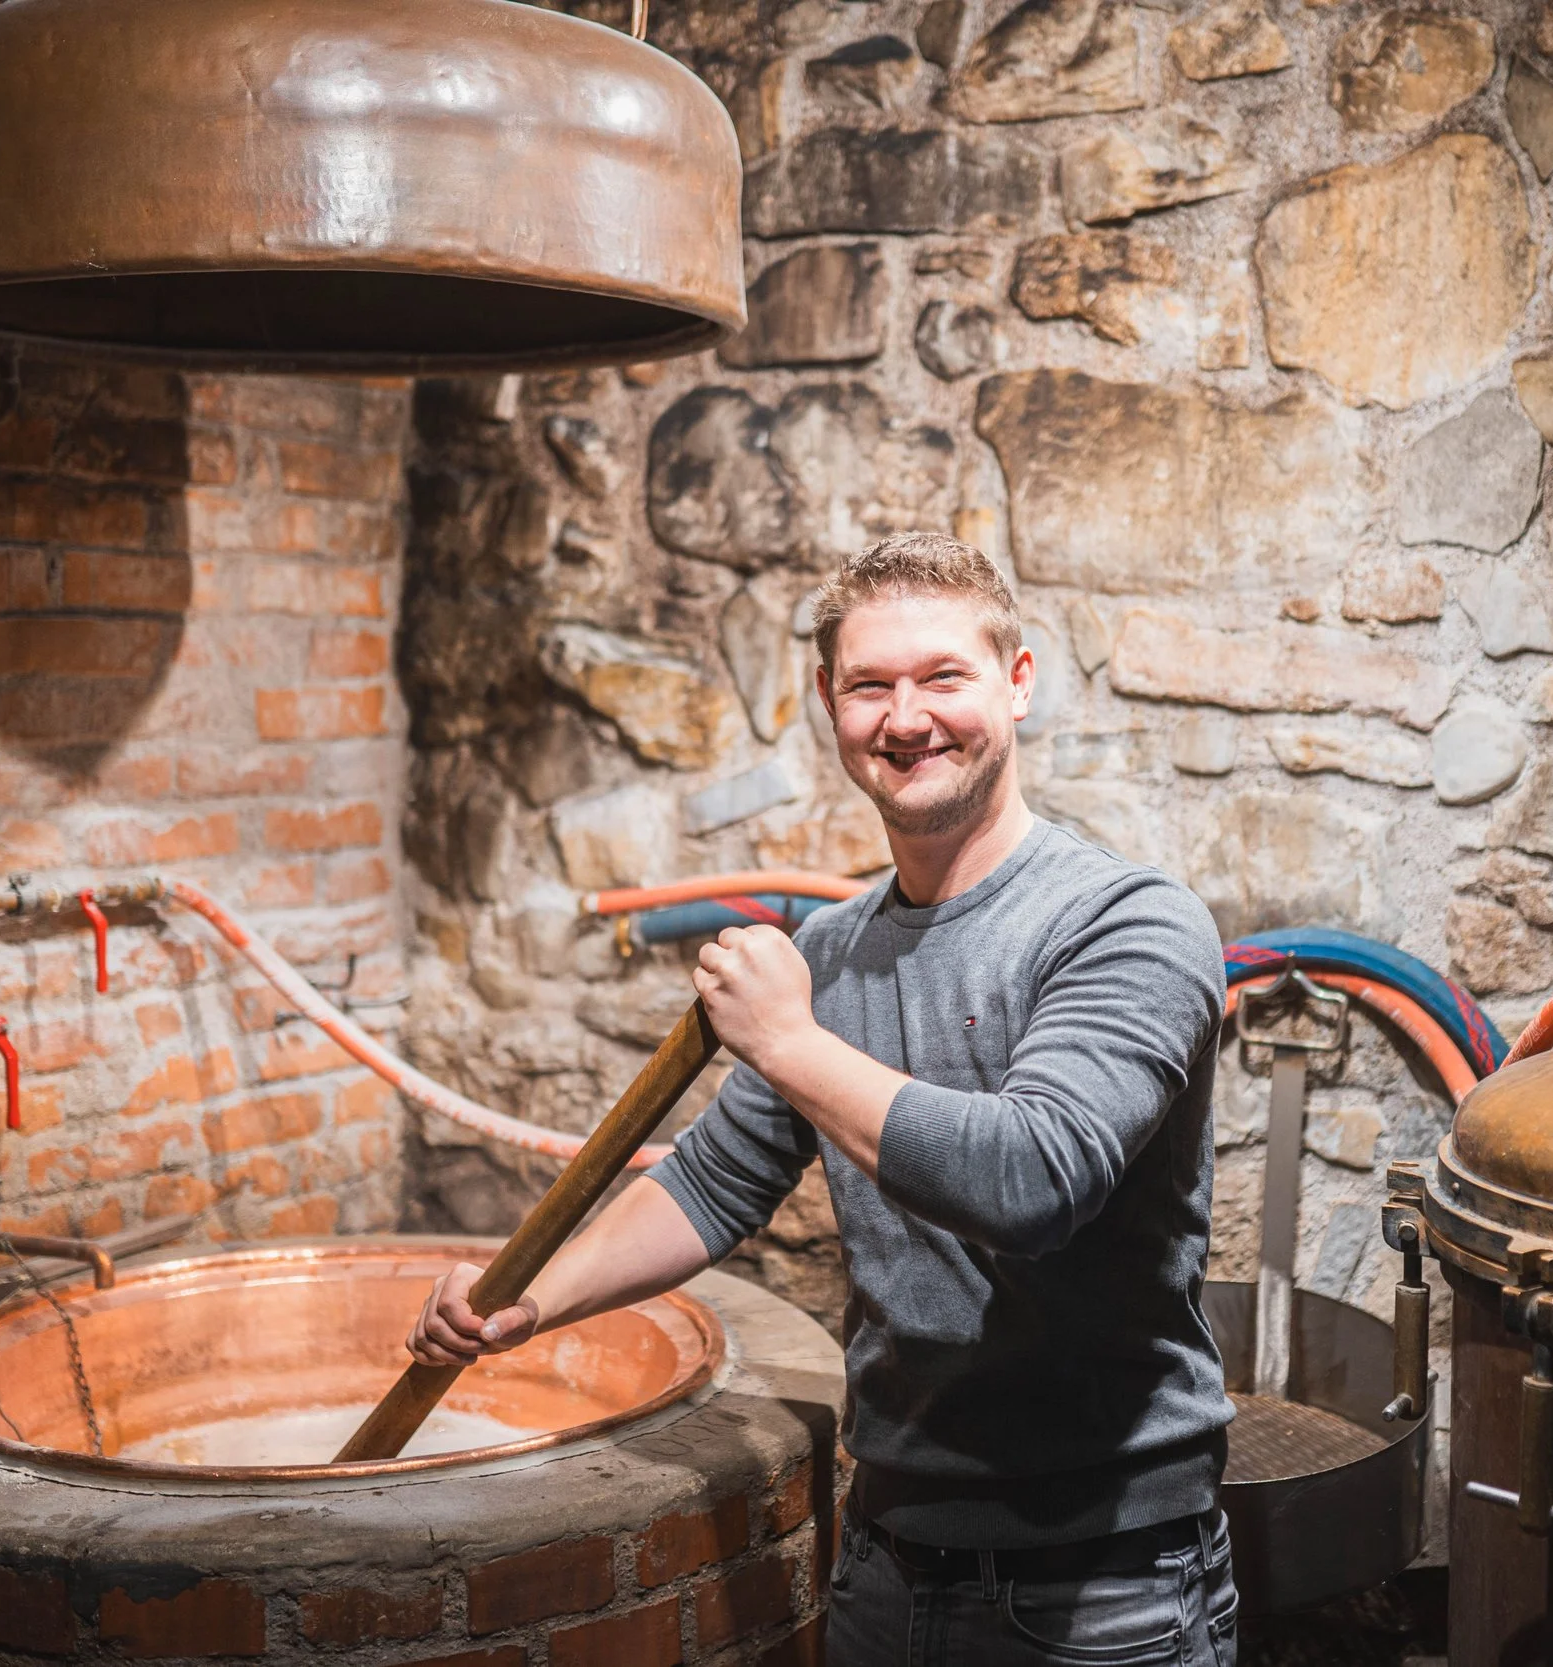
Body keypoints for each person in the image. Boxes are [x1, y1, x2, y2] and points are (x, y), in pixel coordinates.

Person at [406, 532, 1236, 1665]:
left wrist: (789, 1040)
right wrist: (529, 1301)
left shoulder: (1127, 921)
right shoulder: (835, 950)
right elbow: (712, 1182)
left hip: (1100, 1583)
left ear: (1017, 682)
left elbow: (1033, 1179)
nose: (907, 718)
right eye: (870, 686)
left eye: (942, 676)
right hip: (886, 1562)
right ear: (827, 702)